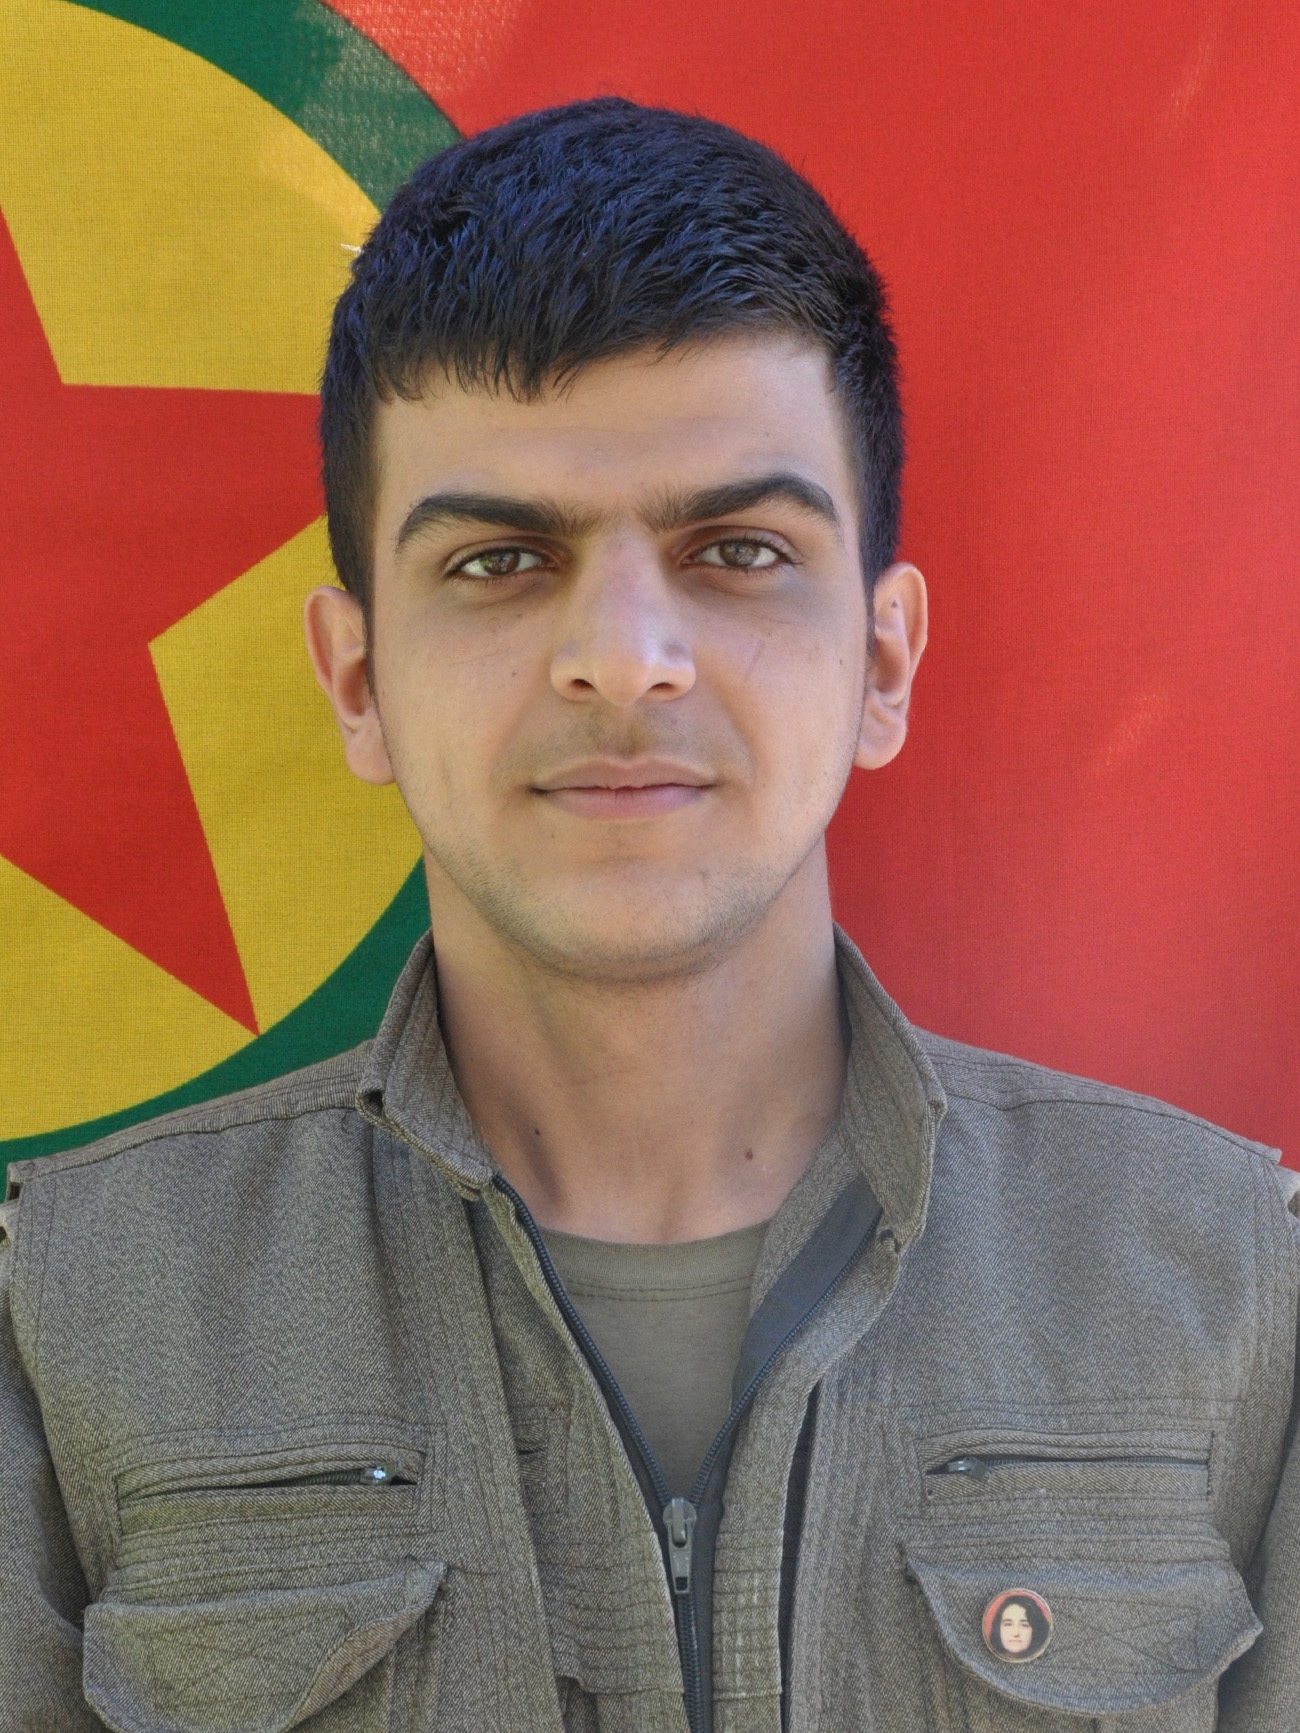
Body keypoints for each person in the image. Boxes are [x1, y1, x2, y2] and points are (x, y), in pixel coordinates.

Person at [1, 98, 1297, 1733]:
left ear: (882, 661)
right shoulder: (74, 1315)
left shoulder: (1233, 1290)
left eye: (738, 549)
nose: (623, 656)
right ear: (358, 679)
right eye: (498, 563)